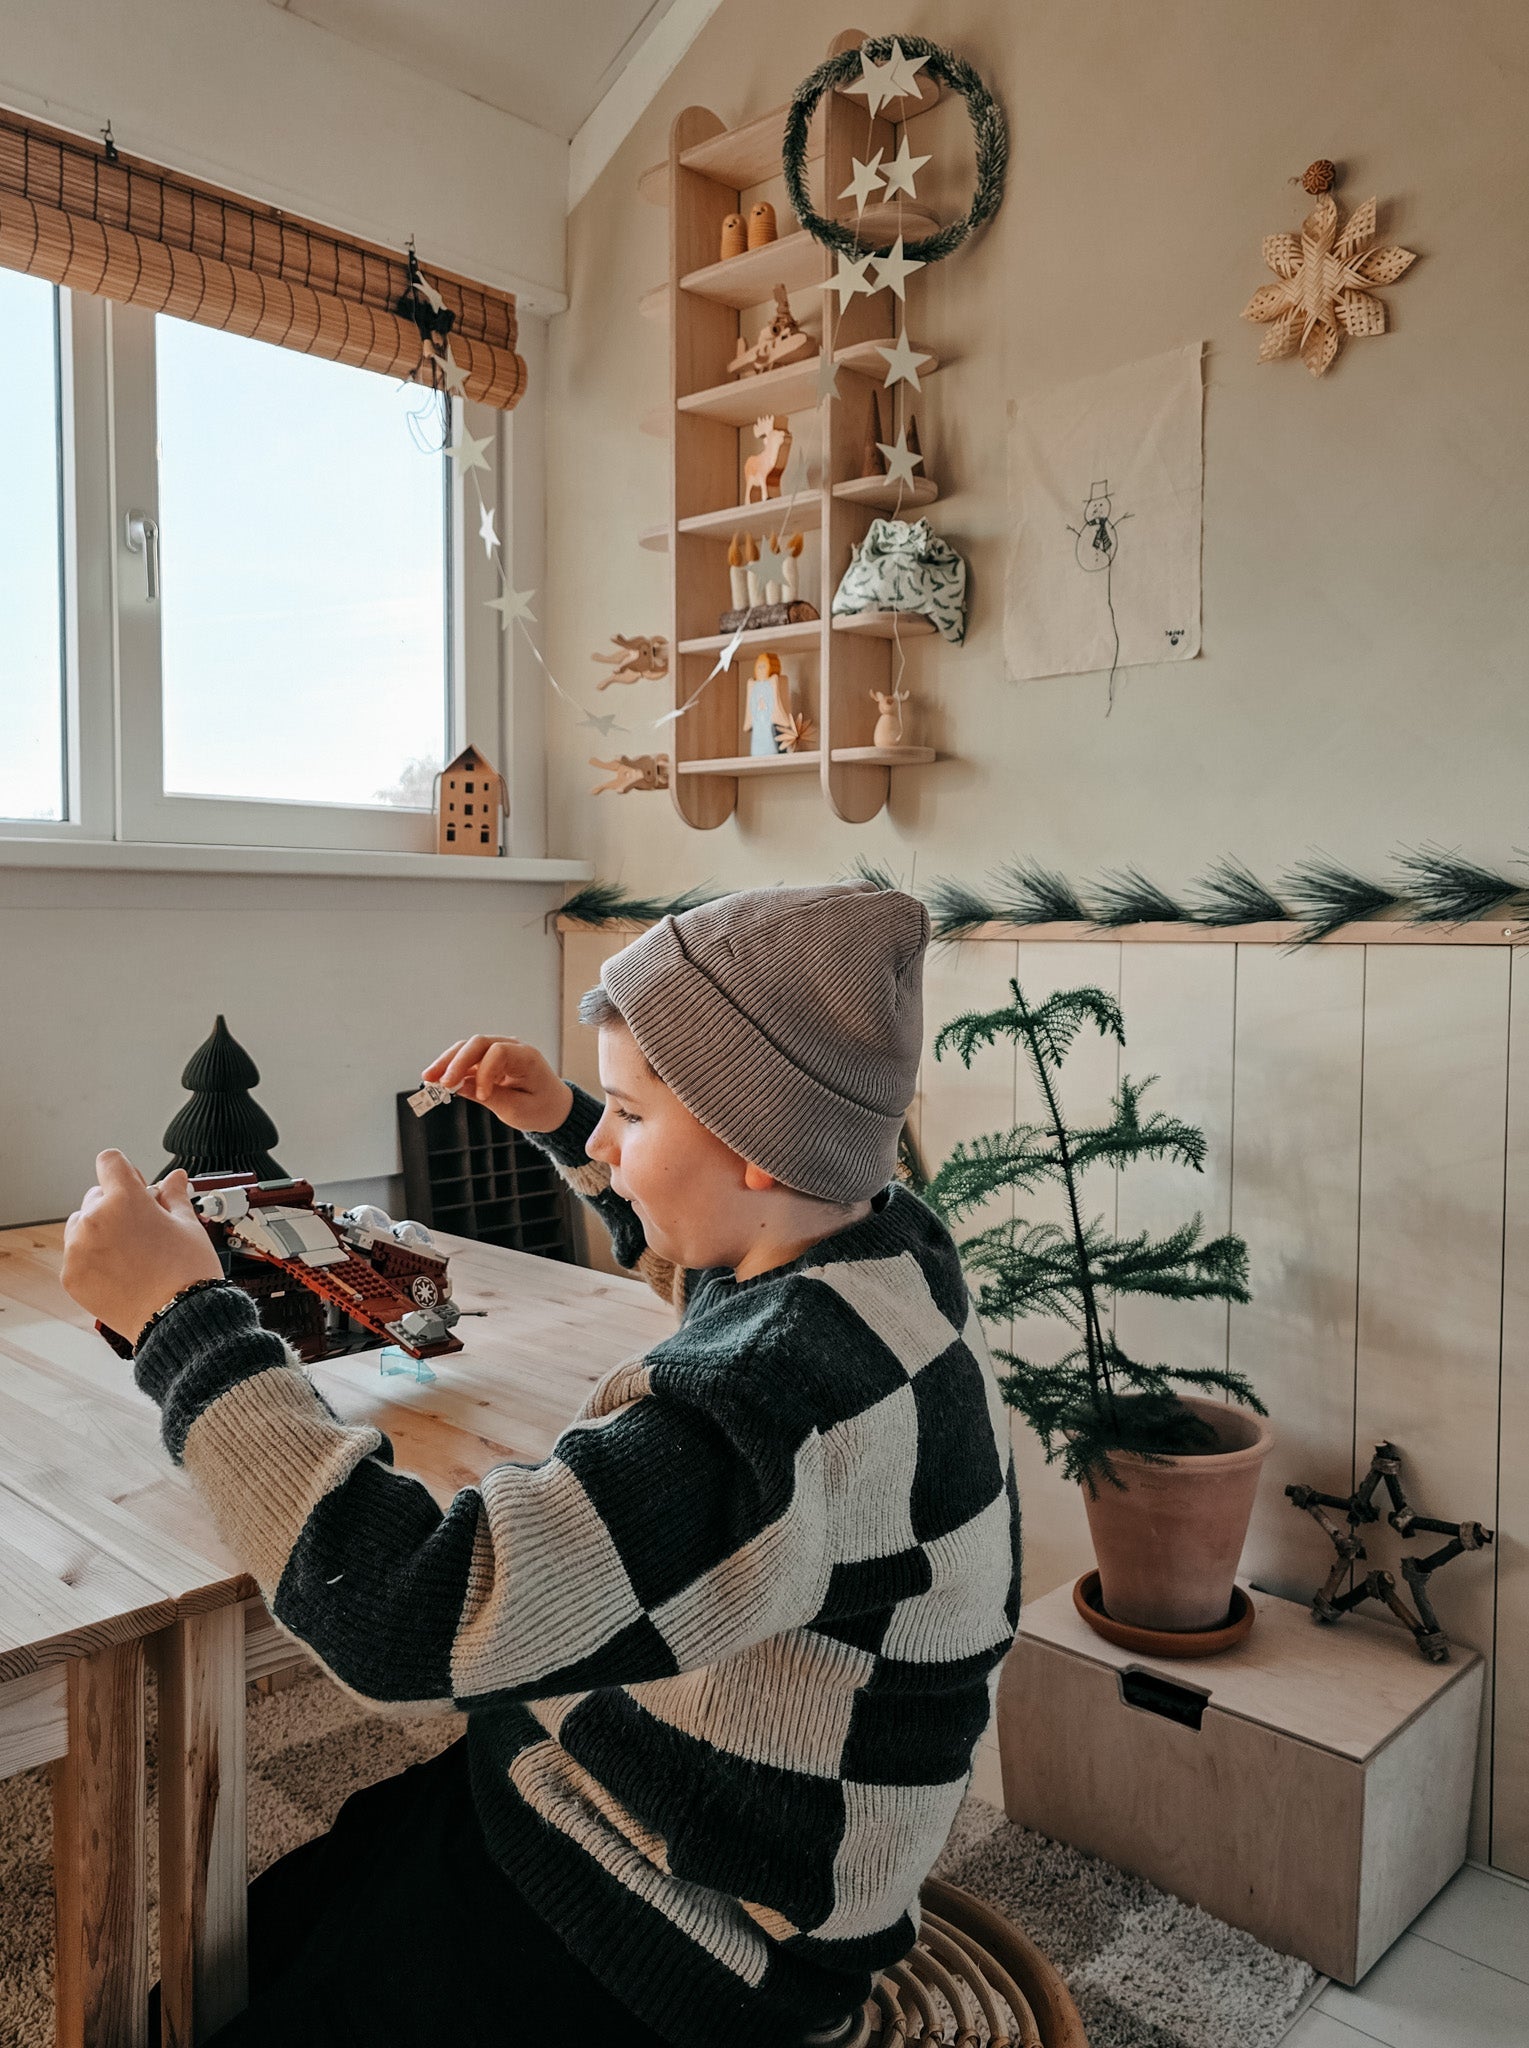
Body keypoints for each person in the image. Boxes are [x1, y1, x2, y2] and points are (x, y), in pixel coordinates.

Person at [62, 882, 1021, 2047]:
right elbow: (716, 1267)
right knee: (260, 1941)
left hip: (685, 1938)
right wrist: (567, 1117)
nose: (606, 1142)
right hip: (624, 1794)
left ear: (759, 1144)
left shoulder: (771, 1402)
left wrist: (183, 1320)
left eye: (627, 1111)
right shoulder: (874, 1255)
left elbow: (405, 1607)